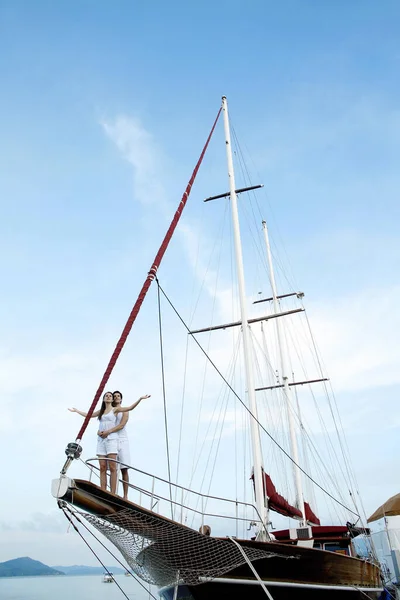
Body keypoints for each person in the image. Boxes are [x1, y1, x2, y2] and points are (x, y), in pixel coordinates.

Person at [97, 391, 150, 500]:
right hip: (111, 439)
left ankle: (125, 495)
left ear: (121, 399)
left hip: (122, 440)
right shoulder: (110, 411)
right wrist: (100, 432)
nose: (116, 398)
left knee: (124, 469)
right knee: (112, 467)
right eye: (114, 396)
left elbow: (121, 425)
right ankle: (110, 492)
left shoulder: (122, 411)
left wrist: (140, 398)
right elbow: (103, 422)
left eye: (118, 396)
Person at [68, 391, 119, 494]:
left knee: (113, 466)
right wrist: (77, 411)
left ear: (112, 399)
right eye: (106, 396)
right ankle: (104, 491)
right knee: (102, 466)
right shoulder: (101, 411)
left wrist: (140, 399)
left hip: (111, 439)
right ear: (104, 399)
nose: (108, 397)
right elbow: (89, 415)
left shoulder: (115, 410)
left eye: (110, 396)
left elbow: (129, 408)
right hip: (101, 440)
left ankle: (113, 493)